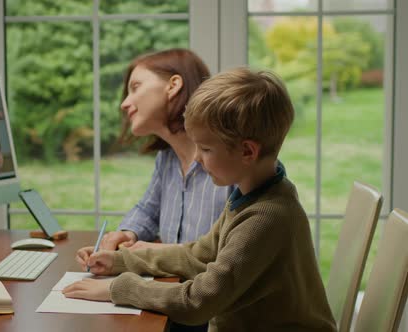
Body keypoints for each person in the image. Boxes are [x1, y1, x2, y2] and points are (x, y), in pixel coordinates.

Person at [63, 68, 337, 331]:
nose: (196, 158)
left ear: (247, 151)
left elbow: (198, 302)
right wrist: (120, 261)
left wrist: (118, 288)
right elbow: (197, 255)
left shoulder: (266, 217)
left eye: (205, 149)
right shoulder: (251, 194)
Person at [100, 49, 233, 252]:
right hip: (172, 280)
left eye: (135, 88)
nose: (124, 103)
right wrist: (127, 233)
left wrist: (153, 254)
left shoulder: (233, 160)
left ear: (173, 86)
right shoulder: (167, 158)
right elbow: (148, 210)